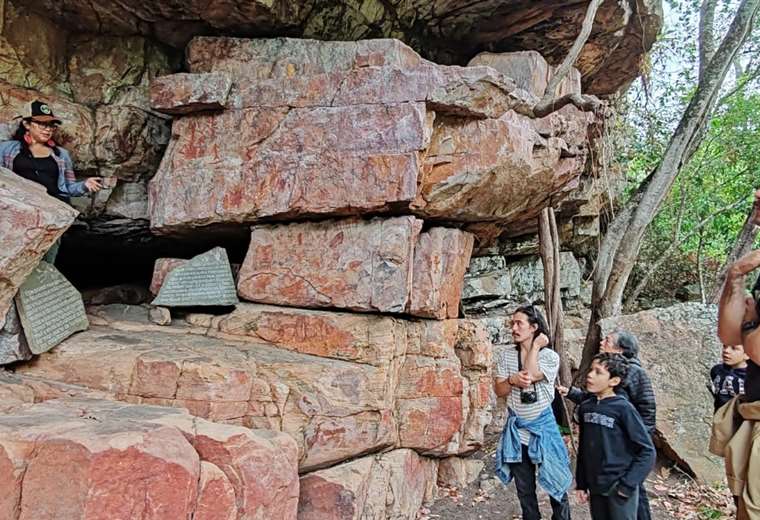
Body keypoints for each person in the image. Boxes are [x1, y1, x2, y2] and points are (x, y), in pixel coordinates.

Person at [559, 330, 656, 520]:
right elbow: (585, 448)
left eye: (608, 340)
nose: (602, 341)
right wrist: (582, 482)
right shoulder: (590, 406)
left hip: (622, 466)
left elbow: (647, 409)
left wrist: (637, 440)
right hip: (599, 480)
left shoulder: (632, 382)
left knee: (636, 503)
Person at [494, 305, 572, 520]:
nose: (514, 328)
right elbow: (499, 390)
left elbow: (529, 375)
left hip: (544, 426)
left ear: (534, 327)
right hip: (518, 431)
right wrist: (511, 380)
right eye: (512, 323)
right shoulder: (506, 356)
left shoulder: (550, 356)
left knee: (556, 481)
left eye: (519, 323)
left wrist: (536, 346)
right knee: (524, 489)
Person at [0, 100, 102, 262]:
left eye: (51, 125)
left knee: (47, 263)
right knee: (14, 262)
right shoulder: (7, 149)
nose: (48, 129)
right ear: (27, 124)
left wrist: (84, 185)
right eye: (42, 124)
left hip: (52, 218)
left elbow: (67, 187)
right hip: (21, 216)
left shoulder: (61, 155)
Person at [712, 193, 760, 517]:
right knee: (744, 504)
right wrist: (737, 276)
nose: (755, 197)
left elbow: (752, 346)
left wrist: (751, 322)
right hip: (752, 413)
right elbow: (729, 334)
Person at [710, 344, 748, 412]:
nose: (726, 351)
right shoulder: (717, 370)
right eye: (725, 346)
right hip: (720, 418)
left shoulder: (753, 377)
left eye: (733, 348)